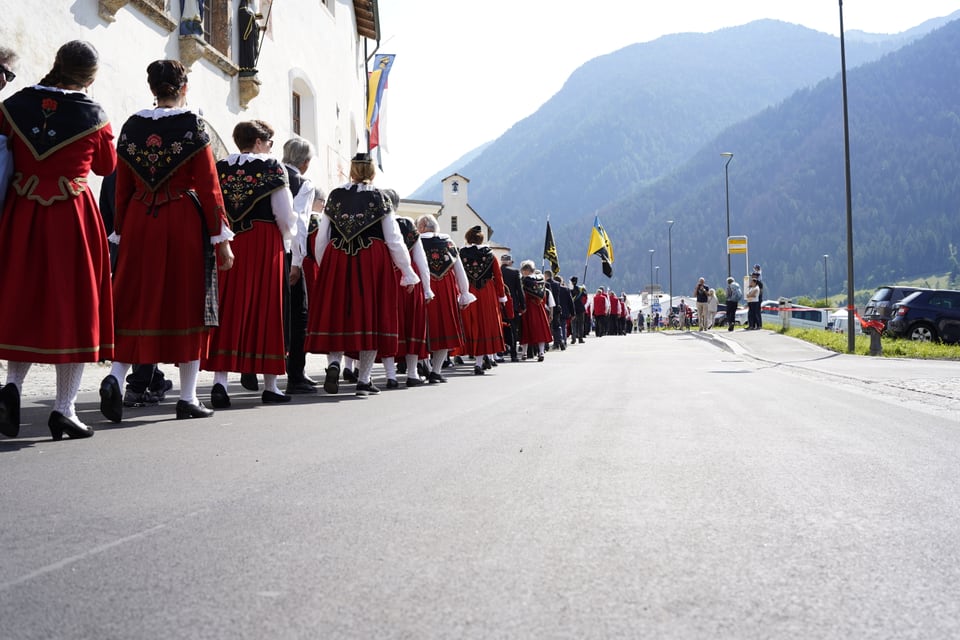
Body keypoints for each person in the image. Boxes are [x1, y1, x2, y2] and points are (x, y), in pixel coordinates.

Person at [103, 60, 235, 421]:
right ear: (184, 88)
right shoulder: (192, 125)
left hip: (139, 219)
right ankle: (188, 397)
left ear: (153, 88)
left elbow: (123, 186)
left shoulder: (132, 126)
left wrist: (122, 227)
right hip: (182, 220)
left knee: (134, 299)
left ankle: (116, 376)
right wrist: (221, 237)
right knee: (189, 303)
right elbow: (209, 187)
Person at [0, 41, 116, 440]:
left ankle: (11, 388)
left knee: (23, 297)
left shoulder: (14, 104)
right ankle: (64, 409)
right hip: (72, 215)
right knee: (76, 306)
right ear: (90, 76)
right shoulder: (94, 114)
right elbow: (106, 165)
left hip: (23, 210)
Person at [305, 152, 419, 396]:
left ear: (352, 171)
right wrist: (407, 272)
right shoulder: (380, 197)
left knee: (337, 315)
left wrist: (327, 265)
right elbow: (394, 238)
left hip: (337, 257)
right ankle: (364, 380)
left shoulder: (335, 195)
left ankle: (334, 364)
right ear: (372, 171)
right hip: (371, 259)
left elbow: (323, 237)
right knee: (371, 317)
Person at [203, 119, 296, 407]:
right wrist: (289, 238)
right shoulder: (272, 167)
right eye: (269, 142)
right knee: (267, 309)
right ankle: (271, 386)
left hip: (229, 241)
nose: (271, 147)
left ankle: (220, 383)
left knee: (228, 307)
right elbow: (284, 212)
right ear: (259, 141)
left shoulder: (221, 167)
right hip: (264, 240)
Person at [380, 194, 434, 389]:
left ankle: (391, 376)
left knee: (388, 326)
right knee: (413, 327)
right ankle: (412, 373)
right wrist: (427, 289)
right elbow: (421, 260)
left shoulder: (375, 223)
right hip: (410, 280)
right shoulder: (408, 224)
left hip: (386, 280)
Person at [417, 214, 475, 383]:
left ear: (421, 228)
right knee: (444, 328)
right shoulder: (448, 243)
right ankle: (436, 371)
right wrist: (464, 294)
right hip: (446, 289)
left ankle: (423, 364)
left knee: (422, 328)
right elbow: (459, 270)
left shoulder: (416, 241)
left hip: (423, 287)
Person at [281, 136, 317, 394]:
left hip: (265, 251)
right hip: (288, 252)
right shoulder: (303, 183)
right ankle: (296, 374)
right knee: (297, 314)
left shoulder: (270, 173)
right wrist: (297, 261)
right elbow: (299, 224)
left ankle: (252, 369)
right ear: (304, 163)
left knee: (268, 309)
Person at [458, 226, 506, 374]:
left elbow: (457, 275)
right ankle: (484, 359)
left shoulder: (461, 253)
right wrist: (502, 296)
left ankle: (479, 360)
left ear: (468, 238)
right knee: (487, 324)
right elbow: (498, 277)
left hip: (469, 290)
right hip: (487, 291)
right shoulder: (490, 255)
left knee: (474, 325)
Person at [519, 261, 553, 361]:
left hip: (528, 308)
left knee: (525, 331)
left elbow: (523, 296)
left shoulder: (524, 281)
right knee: (540, 331)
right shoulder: (541, 280)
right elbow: (544, 296)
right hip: (540, 308)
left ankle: (524, 353)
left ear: (526, 271)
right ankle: (541, 352)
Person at [499, 254, 525, 362]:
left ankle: (499, 353)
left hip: (498, 304)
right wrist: (523, 305)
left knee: (499, 329)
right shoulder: (515, 272)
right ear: (509, 262)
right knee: (513, 330)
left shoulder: (496, 271)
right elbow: (519, 290)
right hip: (512, 304)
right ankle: (513, 355)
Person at [569, 276, 587, 344]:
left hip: (573, 308)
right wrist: (584, 288)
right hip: (580, 308)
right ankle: (580, 338)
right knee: (580, 324)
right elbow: (585, 295)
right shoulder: (580, 289)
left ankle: (573, 339)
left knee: (573, 324)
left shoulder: (569, 289)